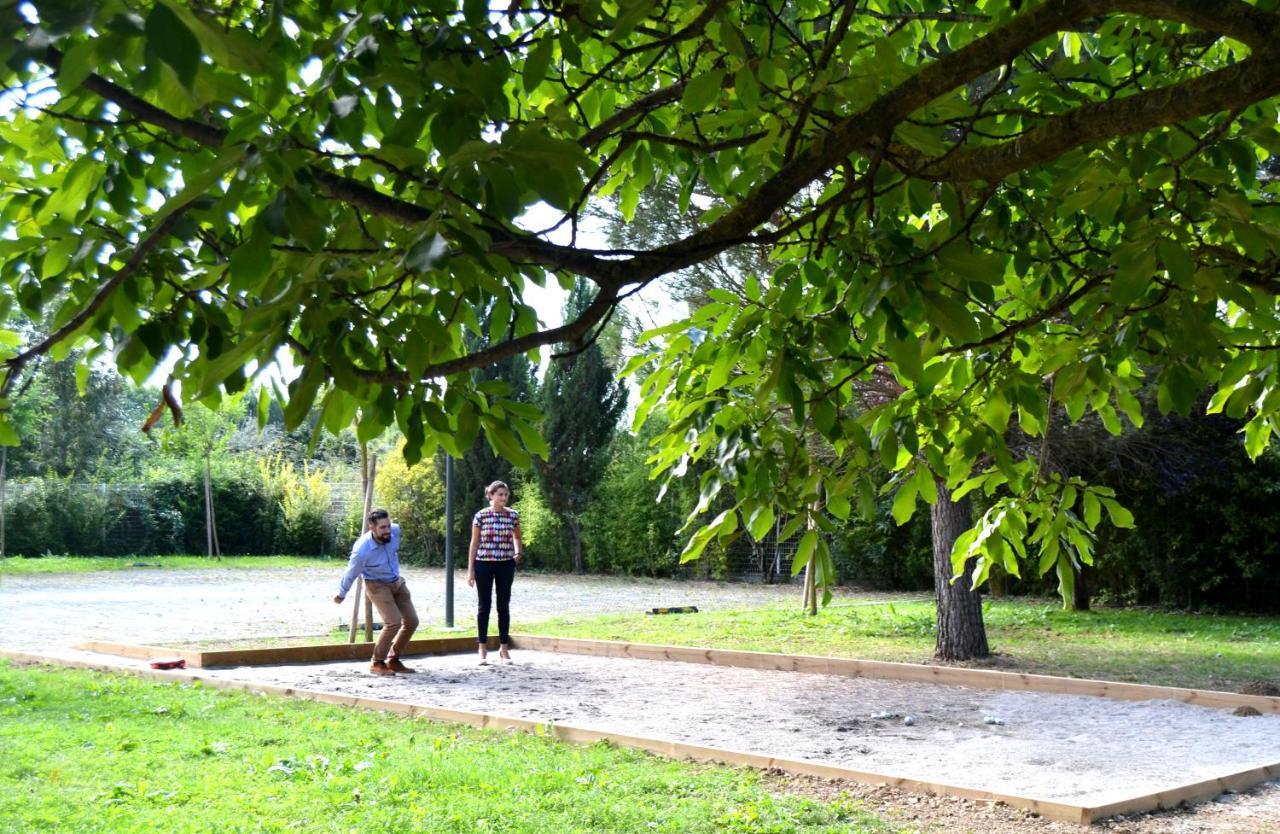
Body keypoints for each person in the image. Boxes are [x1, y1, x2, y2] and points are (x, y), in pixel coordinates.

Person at [334, 508, 419, 676]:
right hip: (376, 584)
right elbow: (351, 572)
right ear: (371, 527)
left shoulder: (395, 531)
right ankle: (377, 662)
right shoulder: (362, 550)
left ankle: (393, 660)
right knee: (393, 622)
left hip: (396, 581)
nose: (388, 531)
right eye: (382, 528)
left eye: (388, 526)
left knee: (412, 620)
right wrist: (341, 593)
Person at [468, 480, 522, 664]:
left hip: (505, 564)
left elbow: (517, 536)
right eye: (500, 494)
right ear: (490, 495)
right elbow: (474, 543)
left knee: (503, 606)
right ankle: (482, 647)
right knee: (484, 606)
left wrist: (517, 553)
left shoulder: (513, 515)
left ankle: (504, 648)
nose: (503, 498)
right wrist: (470, 571)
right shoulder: (481, 516)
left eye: (506, 494)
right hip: (483, 563)